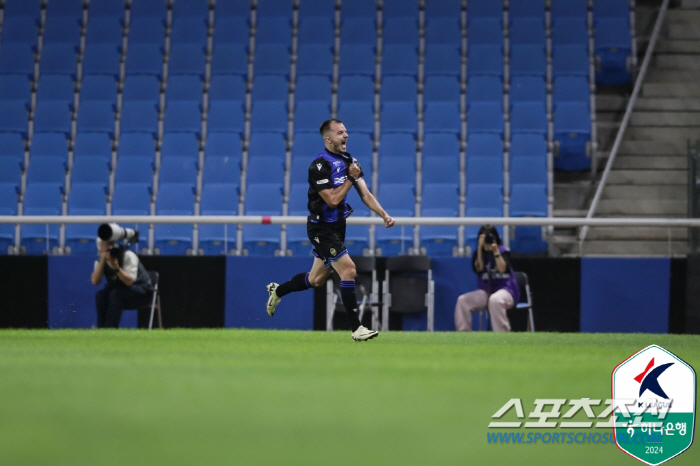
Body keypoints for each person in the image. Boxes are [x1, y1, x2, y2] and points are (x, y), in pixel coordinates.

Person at [266, 118, 395, 341]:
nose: (345, 136)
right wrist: (349, 178)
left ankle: (278, 291)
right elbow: (333, 200)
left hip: (338, 228)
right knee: (349, 270)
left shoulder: (350, 161)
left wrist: (383, 214)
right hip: (321, 229)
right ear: (328, 139)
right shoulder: (319, 166)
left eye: (346, 131)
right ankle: (357, 329)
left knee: (315, 280)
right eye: (340, 133)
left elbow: (365, 194)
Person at [454, 225, 520, 332]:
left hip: (506, 291)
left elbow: (503, 269)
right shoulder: (478, 253)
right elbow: (479, 268)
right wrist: (480, 249)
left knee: (495, 300)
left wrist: (495, 252)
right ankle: (463, 335)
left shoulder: (503, 251)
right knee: (463, 301)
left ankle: (502, 336)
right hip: (486, 291)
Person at [91, 238, 153, 328]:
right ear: (100, 249)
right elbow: (95, 281)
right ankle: (101, 328)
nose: (108, 249)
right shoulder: (99, 261)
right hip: (121, 290)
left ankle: (111, 328)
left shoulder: (127, 255)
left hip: (142, 291)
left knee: (116, 294)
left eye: (110, 245)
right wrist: (103, 261)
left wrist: (116, 268)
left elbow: (130, 282)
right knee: (101, 295)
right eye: (105, 247)